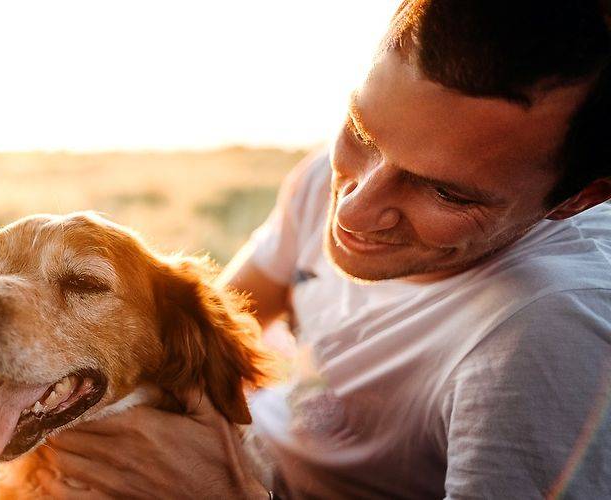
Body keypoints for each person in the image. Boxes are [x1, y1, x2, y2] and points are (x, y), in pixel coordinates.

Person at [38, 0, 611, 498]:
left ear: (578, 198)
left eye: (445, 192)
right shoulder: (328, 178)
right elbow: (216, 329)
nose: (354, 209)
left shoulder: (549, 332)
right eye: (361, 132)